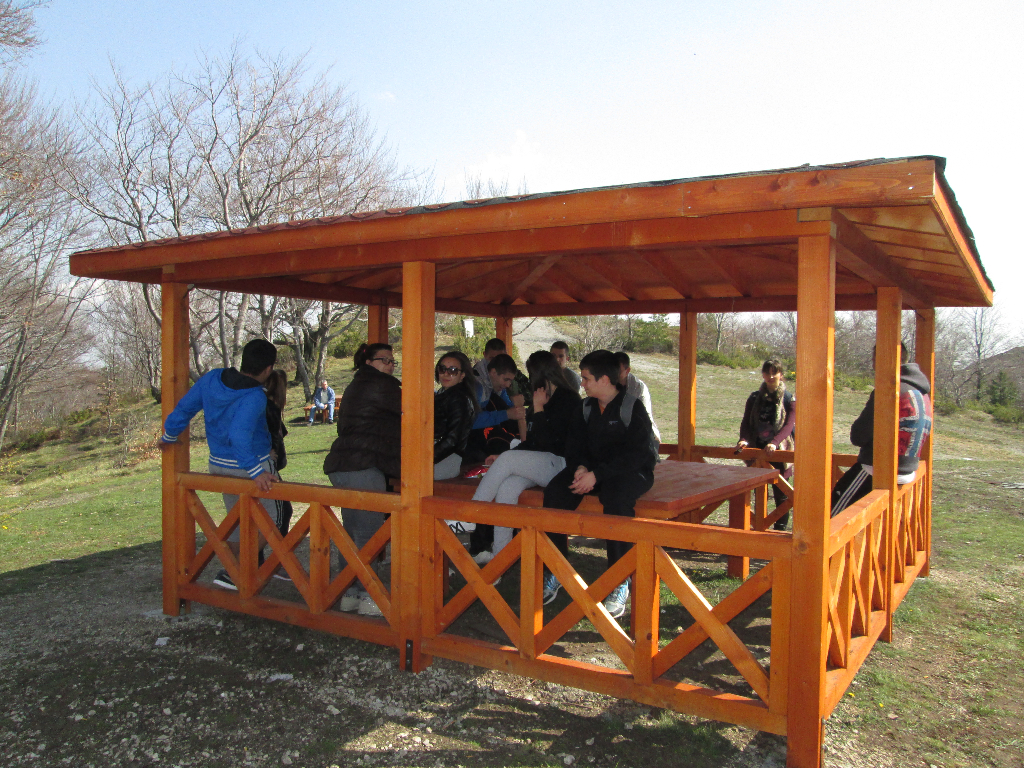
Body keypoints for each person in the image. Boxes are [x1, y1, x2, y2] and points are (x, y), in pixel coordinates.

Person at [160, 338, 284, 591]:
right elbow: (239, 435)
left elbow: (185, 408)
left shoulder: (212, 378)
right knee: (274, 520)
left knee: (238, 521)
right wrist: (255, 471)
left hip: (218, 465)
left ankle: (236, 575)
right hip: (251, 466)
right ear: (268, 369)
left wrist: (169, 435)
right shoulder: (254, 396)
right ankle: (234, 571)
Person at [542, 349, 658, 619]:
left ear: (604, 379)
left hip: (630, 472)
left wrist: (598, 475)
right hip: (593, 472)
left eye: (586, 378)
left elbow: (638, 455)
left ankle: (620, 580)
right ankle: (556, 570)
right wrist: (581, 468)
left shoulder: (632, 407)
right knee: (555, 492)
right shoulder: (585, 407)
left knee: (616, 499)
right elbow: (574, 445)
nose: (581, 383)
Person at [469, 350, 583, 565]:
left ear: (541, 374)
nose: (530, 380)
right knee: (507, 488)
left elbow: (551, 443)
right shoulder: (541, 398)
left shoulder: (568, 399)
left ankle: (472, 516)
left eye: (531, 374)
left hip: (561, 465)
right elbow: (531, 442)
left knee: (508, 461)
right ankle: (501, 558)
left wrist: (538, 409)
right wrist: (503, 455)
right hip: (539, 463)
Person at [323, 343, 401, 616]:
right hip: (363, 466)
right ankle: (370, 596)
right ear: (369, 362)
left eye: (392, 361)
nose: (390, 365)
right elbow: (417, 411)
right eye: (384, 360)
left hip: (344, 465)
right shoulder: (382, 385)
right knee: (369, 537)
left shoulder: (357, 385)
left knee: (353, 536)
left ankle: (351, 593)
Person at [830, 344, 933, 516]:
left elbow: (858, 436)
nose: (873, 365)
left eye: (874, 359)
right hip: (907, 473)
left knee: (834, 517)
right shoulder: (922, 393)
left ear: (884, 360)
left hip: (876, 472)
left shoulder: (889, 391)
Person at [735, 359, 796, 530]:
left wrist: (775, 443)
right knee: (758, 491)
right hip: (758, 450)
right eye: (767, 373)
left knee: (782, 495)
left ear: (781, 375)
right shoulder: (755, 398)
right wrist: (743, 439)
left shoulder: (789, 399)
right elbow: (746, 422)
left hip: (780, 451)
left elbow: (789, 426)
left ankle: (780, 530)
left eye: (774, 373)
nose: (770, 376)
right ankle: (760, 529)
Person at [433, 351, 480, 481]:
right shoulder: (444, 394)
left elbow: (452, 440)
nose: (446, 374)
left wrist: (425, 457)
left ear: (462, 375)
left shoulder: (458, 399)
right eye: (442, 369)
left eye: (453, 370)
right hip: (441, 456)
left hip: (445, 459)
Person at [264, 370, 294, 558]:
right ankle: (279, 559)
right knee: (282, 511)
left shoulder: (270, 408)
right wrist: (265, 452)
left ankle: (261, 560)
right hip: (264, 466)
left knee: (269, 512)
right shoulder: (267, 408)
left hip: (270, 465)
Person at [613, 351, 662, 443]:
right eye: (612, 370)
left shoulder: (638, 387)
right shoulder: (607, 383)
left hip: (639, 430)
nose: (614, 374)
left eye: (618, 371)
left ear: (627, 371)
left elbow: (643, 417)